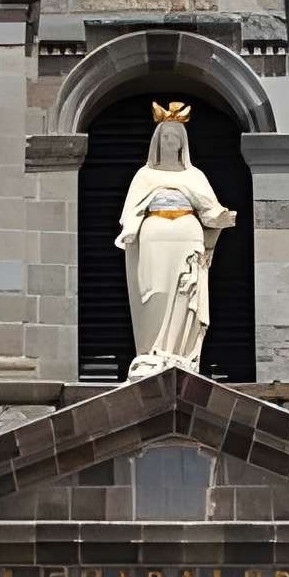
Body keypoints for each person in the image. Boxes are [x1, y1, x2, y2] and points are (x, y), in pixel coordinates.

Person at [113, 100, 234, 374]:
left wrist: (221, 217)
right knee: (156, 292)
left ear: (182, 143)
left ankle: (180, 354)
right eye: (165, 136)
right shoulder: (144, 176)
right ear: (157, 141)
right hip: (153, 236)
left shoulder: (195, 176)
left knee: (184, 292)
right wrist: (131, 228)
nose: (169, 141)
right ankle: (150, 353)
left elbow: (210, 210)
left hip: (187, 237)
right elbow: (129, 213)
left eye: (175, 137)